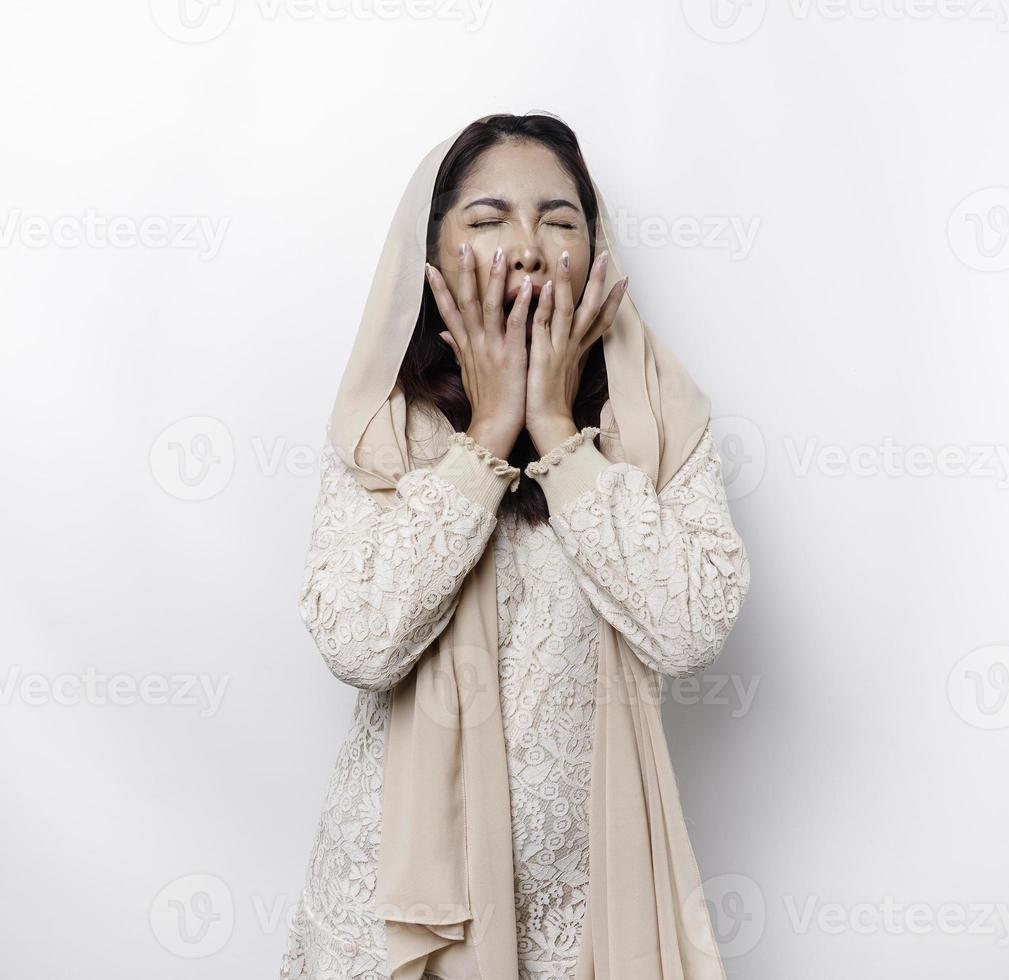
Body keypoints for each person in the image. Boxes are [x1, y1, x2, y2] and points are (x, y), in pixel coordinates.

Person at [282, 112, 751, 980]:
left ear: (595, 249)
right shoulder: (386, 424)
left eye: (561, 220)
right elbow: (357, 641)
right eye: (489, 220)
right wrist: (490, 435)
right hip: (403, 912)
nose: (529, 248)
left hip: (592, 914)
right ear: (433, 252)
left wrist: (557, 432)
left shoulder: (657, 419)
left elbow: (687, 629)